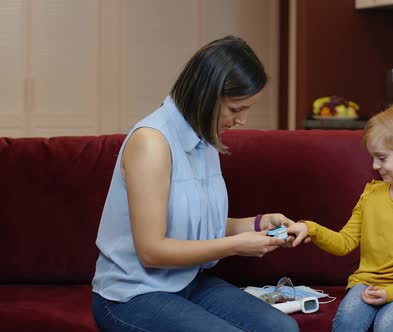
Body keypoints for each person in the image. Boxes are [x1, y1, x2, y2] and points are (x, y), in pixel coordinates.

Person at [91, 35, 300, 332]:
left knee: (283, 329)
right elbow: (152, 251)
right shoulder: (152, 142)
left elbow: (197, 225)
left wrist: (258, 224)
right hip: (131, 295)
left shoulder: (205, 139)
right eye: (235, 109)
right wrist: (234, 247)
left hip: (186, 281)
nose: (241, 120)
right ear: (207, 95)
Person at [288, 104, 393, 332]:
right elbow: (345, 242)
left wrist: (391, 293)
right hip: (366, 284)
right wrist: (310, 228)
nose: (375, 166)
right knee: (348, 323)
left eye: (382, 158)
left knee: (387, 325)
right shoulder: (372, 194)